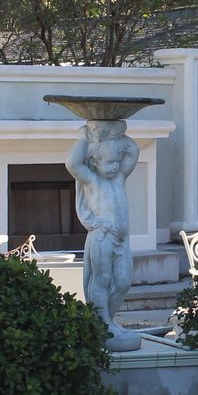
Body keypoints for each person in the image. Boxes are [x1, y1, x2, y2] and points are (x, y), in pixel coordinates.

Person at [66, 121, 140, 347]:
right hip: (103, 236)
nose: (115, 166)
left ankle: (108, 319)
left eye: (117, 161)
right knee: (102, 279)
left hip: (121, 239)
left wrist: (118, 136)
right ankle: (103, 324)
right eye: (109, 162)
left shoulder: (119, 178)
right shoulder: (92, 180)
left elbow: (133, 153)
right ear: (95, 162)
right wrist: (88, 138)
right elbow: (72, 163)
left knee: (124, 281)